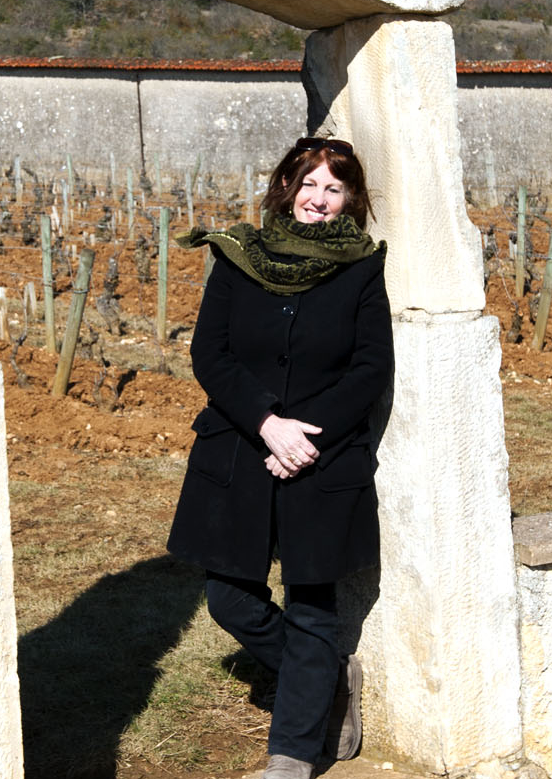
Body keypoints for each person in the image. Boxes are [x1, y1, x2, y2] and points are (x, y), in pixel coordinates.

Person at [166, 135, 393, 779]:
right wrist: (268, 423)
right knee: (229, 600)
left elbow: (371, 366)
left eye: (334, 188)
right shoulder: (239, 257)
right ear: (287, 187)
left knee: (311, 602)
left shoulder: (361, 268)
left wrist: (304, 439)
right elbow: (211, 354)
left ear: (349, 200)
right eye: (309, 184)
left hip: (321, 460)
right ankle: (324, 681)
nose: (318, 199)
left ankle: (292, 755)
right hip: (242, 449)